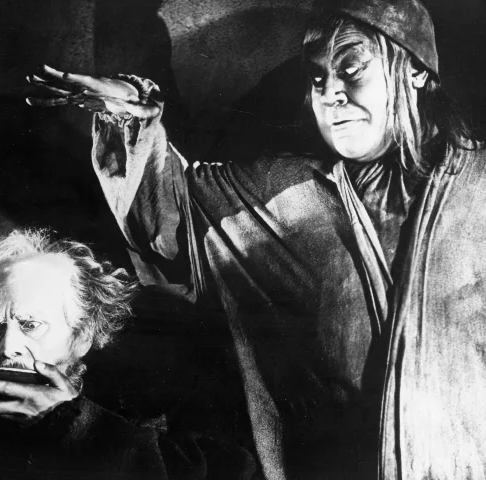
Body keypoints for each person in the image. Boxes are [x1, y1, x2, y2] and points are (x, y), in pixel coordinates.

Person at [26, 0, 486, 479]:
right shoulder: (288, 197)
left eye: (351, 69)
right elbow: (169, 217)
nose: (330, 93)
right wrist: (131, 114)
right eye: (317, 78)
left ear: (415, 70)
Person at [0, 229, 257, 480]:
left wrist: (74, 426)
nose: (7, 347)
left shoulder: (151, 417)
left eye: (30, 324)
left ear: (83, 336)